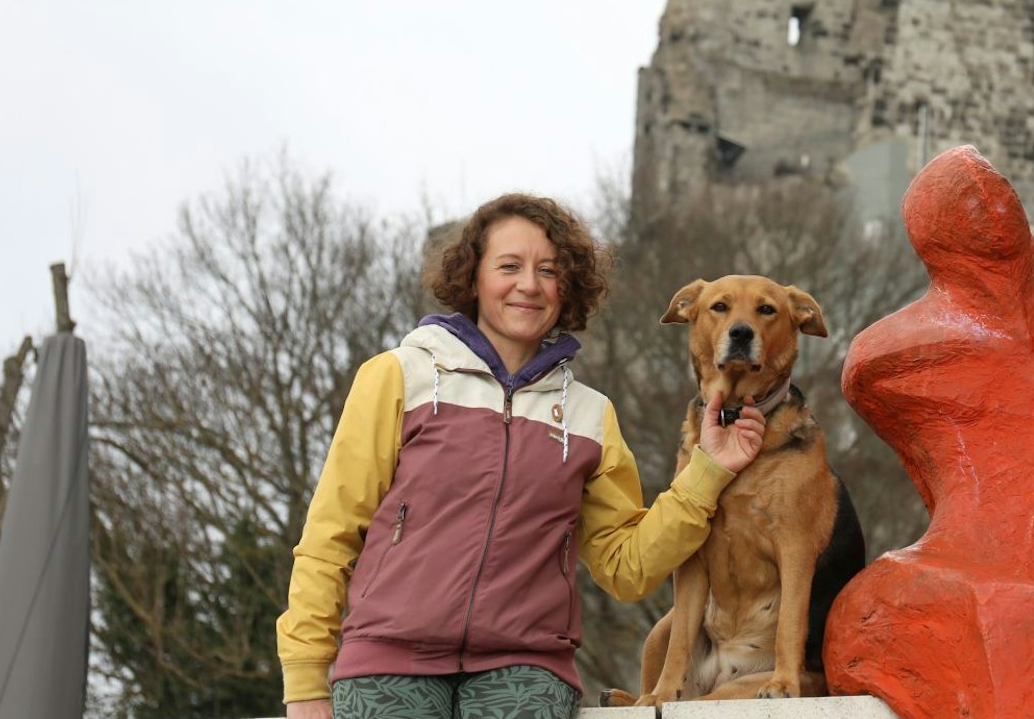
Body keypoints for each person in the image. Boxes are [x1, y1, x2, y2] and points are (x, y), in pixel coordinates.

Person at [278, 193, 767, 719]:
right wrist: (306, 679)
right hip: (388, 658)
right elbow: (331, 534)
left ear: (569, 287)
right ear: (473, 278)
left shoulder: (589, 414)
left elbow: (627, 567)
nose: (529, 285)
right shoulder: (398, 376)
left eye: (549, 271)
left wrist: (707, 470)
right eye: (508, 266)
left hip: (526, 669)